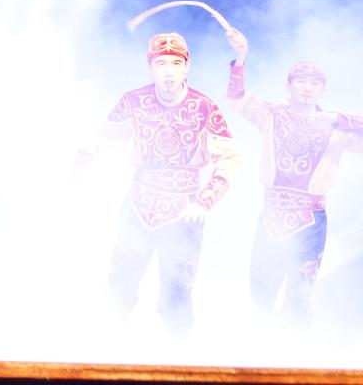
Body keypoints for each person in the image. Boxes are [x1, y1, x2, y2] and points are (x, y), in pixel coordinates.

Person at [78, 32, 241, 337]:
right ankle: (104, 349)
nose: (168, 72)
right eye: (161, 63)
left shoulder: (205, 109)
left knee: (178, 293)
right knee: (119, 286)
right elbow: (101, 138)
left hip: (185, 211)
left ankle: (177, 355)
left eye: (176, 63)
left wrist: (205, 199)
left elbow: (230, 158)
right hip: (139, 204)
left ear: (187, 66)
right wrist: (78, 164)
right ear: (150, 67)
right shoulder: (134, 101)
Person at [226, 29, 363, 325]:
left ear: (323, 89)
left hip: (310, 220)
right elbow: (236, 98)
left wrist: (339, 118)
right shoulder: (271, 114)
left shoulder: (335, 128)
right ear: (287, 86)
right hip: (271, 214)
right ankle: (261, 348)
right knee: (260, 292)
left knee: (300, 295)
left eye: (314, 83)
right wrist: (241, 57)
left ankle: (297, 350)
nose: (307, 89)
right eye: (300, 81)